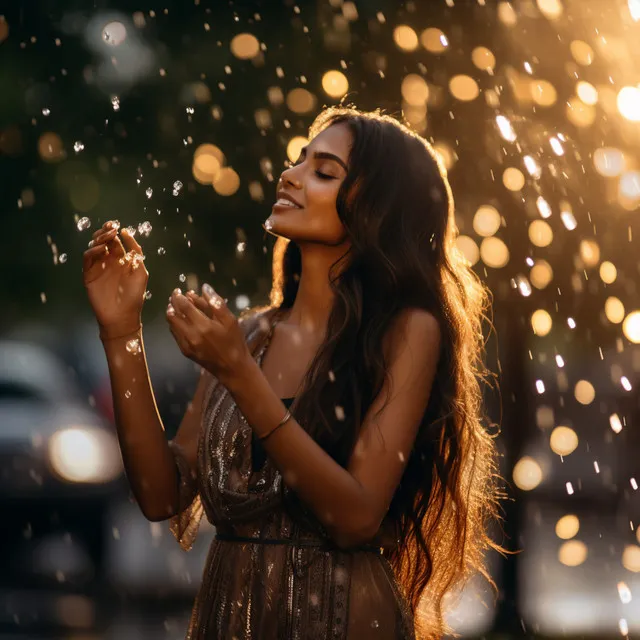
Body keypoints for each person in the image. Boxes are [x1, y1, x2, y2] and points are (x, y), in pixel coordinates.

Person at [83, 106, 505, 640]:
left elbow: (354, 519)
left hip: (344, 619)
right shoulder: (251, 333)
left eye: (324, 172)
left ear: (377, 209)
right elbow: (160, 494)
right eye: (298, 161)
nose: (290, 174)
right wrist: (122, 333)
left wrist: (240, 375)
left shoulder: (407, 332)